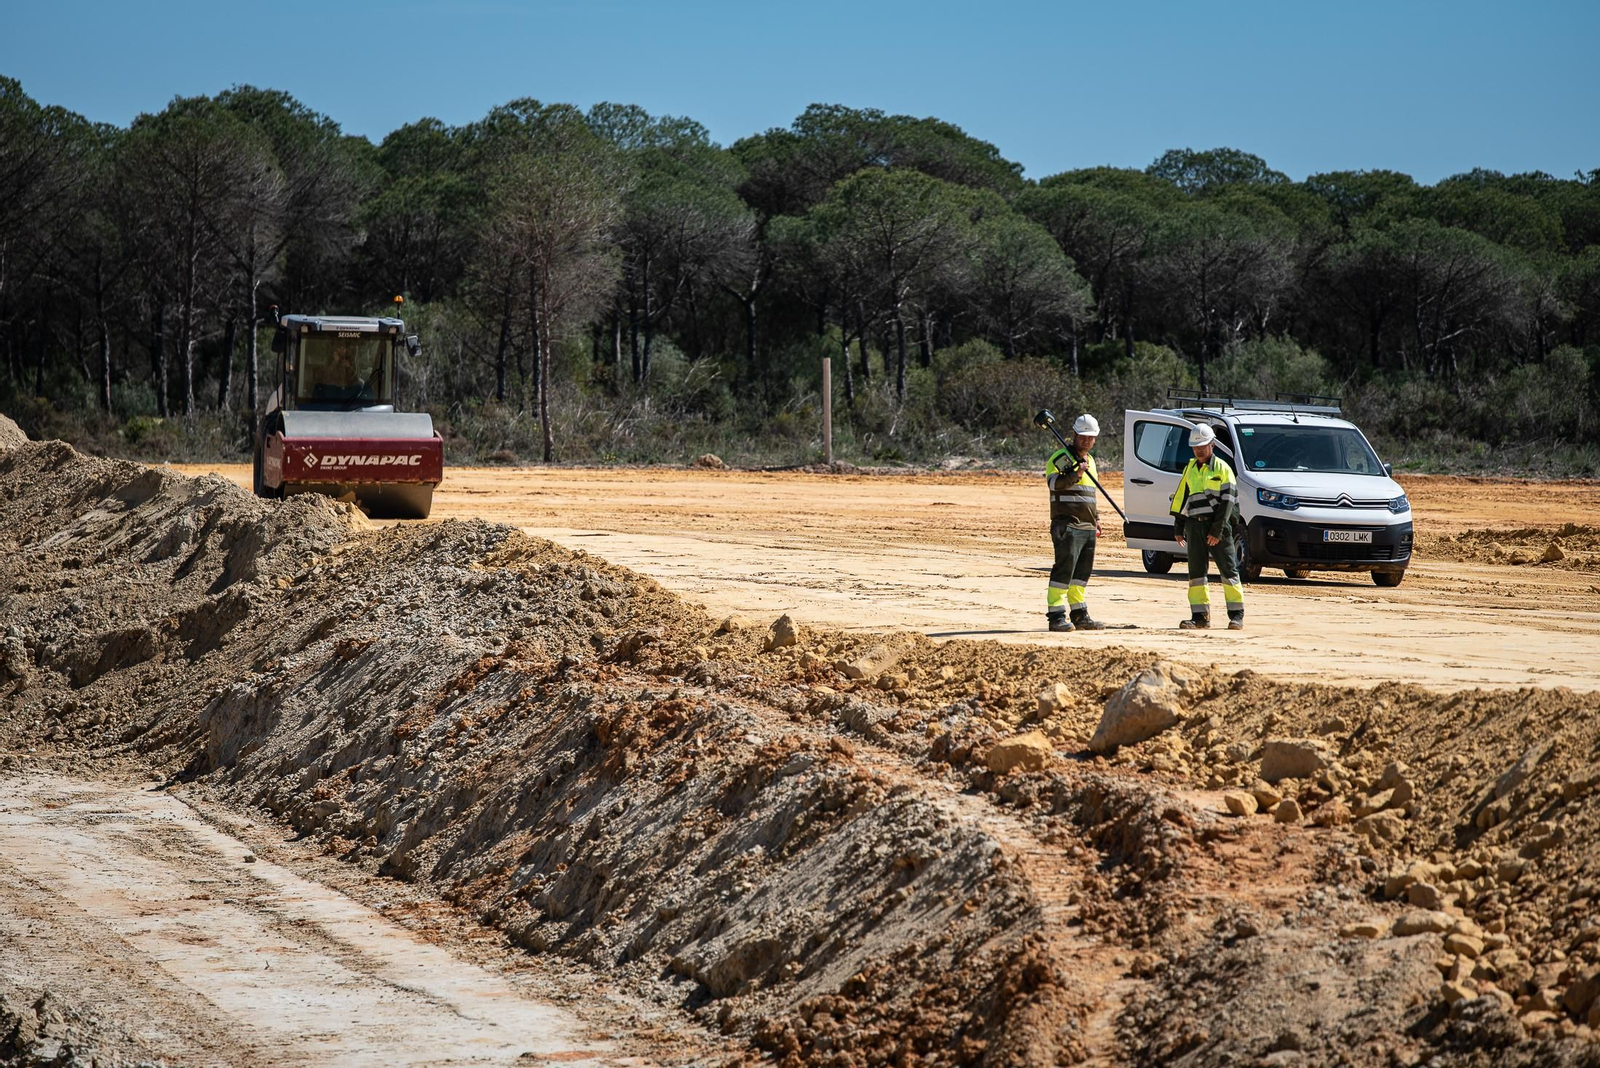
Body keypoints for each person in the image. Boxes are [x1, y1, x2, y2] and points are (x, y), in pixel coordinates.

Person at [1171, 425, 1244, 630]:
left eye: (1202, 445)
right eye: (1195, 447)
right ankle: (1199, 617)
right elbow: (1181, 498)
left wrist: (1217, 530)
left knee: (1228, 570)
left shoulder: (1222, 468)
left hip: (1217, 525)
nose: (1199, 450)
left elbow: (1228, 503)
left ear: (1212, 444)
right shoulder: (1190, 468)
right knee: (1196, 573)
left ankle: (1236, 615)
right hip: (1195, 526)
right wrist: (1179, 527)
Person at [1044, 414, 1108, 632]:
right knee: (1064, 571)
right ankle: (1056, 616)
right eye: (1083, 437)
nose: (1087, 441)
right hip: (1067, 525)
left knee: (1081, 574)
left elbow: (1090, 495)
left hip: (1087, 525)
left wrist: (1096, 518)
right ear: (1075, 435)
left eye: (1091, 437)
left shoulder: (1091, 462)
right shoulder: (1061, 458)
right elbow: (1054, 484)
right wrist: (1076, 473)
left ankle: (1080, 615)